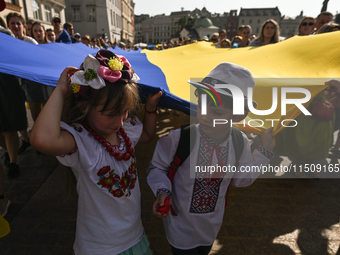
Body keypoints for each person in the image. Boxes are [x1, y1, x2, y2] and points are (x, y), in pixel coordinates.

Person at [30, 50, 162, 255]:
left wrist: (151, 110)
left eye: (125, 112)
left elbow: (146, 135)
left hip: (134, 237)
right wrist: (60, 92)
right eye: (110, 114)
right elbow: (41, 139)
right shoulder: (80, 139)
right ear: (85, 106)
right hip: (100, 247)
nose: (119, 122)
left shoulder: (125, 130)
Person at [147, 62, 275, 255]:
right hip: (180, 225)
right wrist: (162, 191)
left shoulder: (239, 141)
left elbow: (240, 179)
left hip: (211, 226)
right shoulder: (179, 138)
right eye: (202, 107)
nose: (205, 116)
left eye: (216, 112)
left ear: (239, 115)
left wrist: (264, 151)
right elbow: (157, 168)